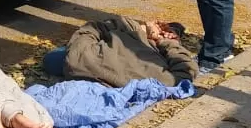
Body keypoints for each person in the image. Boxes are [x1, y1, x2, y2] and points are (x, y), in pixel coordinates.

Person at [41, 15, 197, 87]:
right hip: (95, 67)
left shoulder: (81, 59)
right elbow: (186, 72)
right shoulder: (164, 74)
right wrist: (166, 41)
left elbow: (93, 28)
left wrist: (142, 29)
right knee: (55, 59)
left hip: (89, 64)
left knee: (53, 59)